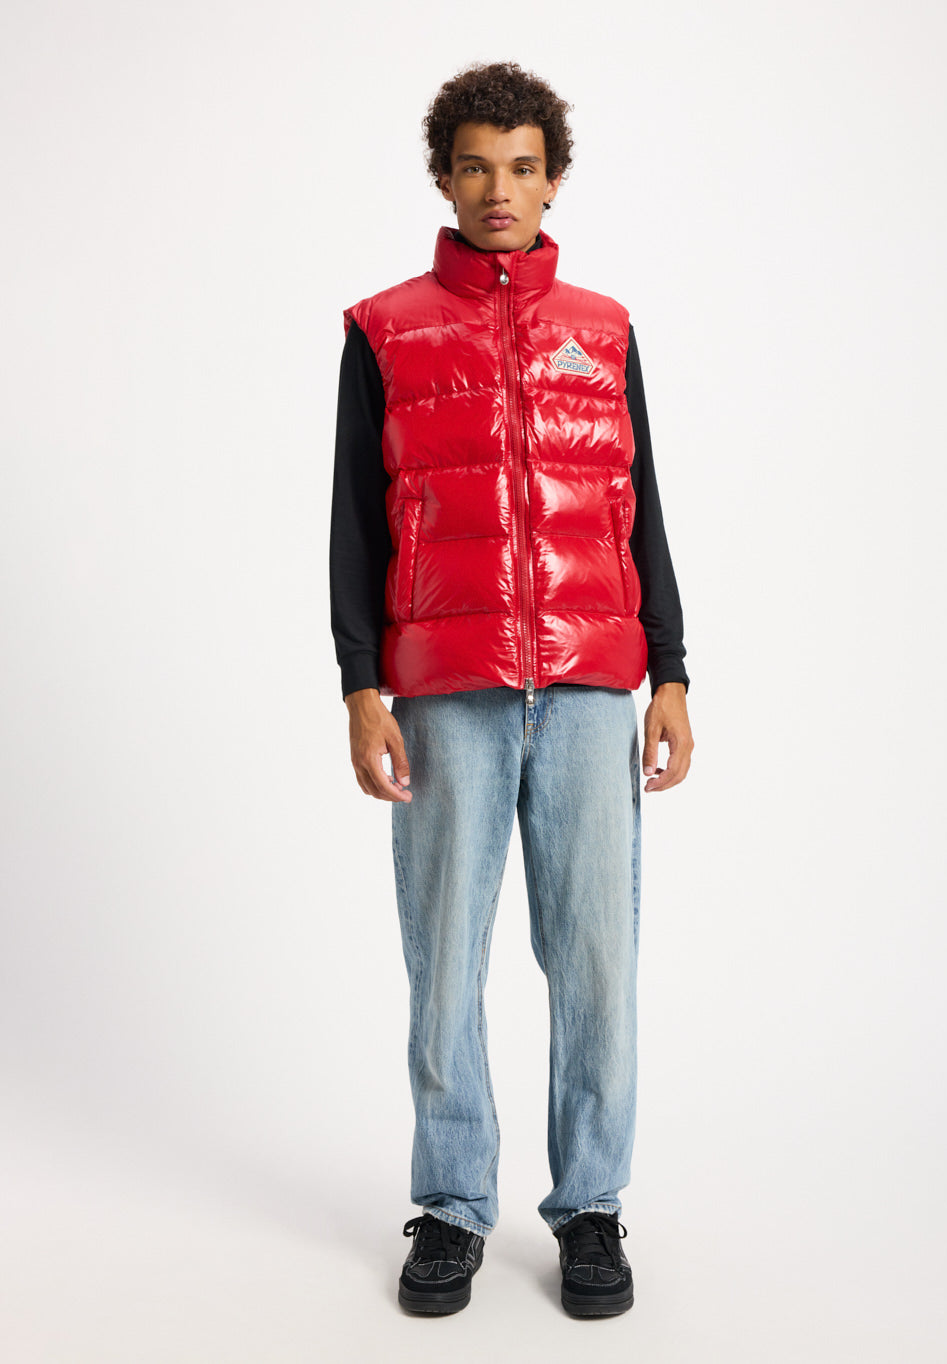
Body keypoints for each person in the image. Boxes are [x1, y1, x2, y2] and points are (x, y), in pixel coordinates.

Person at [329, 60, 694, 1318]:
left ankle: (590, 1205)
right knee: (443, 957)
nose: (500, 189)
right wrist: (360, 683)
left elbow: (640, 508)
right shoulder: (383, 328)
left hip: (592, 684)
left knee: (595, 958)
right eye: (476, 167)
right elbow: (354, 520)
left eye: (522, 167)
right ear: (444, 178)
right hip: (445, 690)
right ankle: (450, 1202)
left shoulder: (605, 327)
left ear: (553, 179)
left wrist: (671, 668)